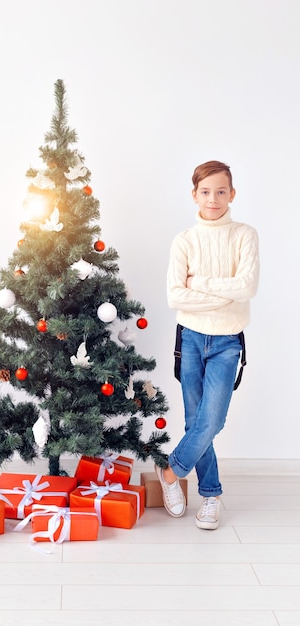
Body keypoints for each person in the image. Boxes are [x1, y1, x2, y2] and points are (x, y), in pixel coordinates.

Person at [155, 160, 259, 530]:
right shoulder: (184, 240)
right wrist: (221, 292)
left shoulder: (245, 235)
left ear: (232, 194)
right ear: (194, 194)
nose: (212, 199)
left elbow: (246, 287)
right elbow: (174, 296)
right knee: (195, 420)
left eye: (220, 191)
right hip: (191, 339)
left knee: (211, 420)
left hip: (228, 340)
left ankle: (170, 473)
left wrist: (200, 285)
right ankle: (211, 494)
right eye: (205, 191)